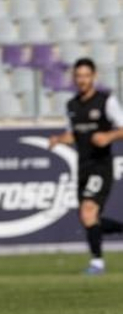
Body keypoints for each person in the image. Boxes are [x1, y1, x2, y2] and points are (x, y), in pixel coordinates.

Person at [48, 58, 123, 275]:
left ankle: (97, 263)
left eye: (86, 75)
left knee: (88, 211)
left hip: (101, 166)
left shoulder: (106, 101)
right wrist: (59, 140)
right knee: (89, 218)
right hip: (82, 168)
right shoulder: (71, 105)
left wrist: (108, 136)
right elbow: (74, 134)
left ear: (94, 76)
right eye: (78, 76)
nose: (82, 80)